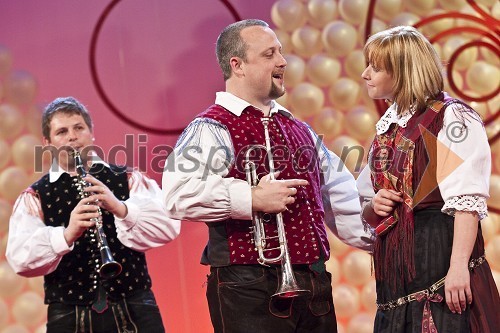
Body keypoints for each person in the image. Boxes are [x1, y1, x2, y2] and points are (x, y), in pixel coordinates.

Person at [161, 19, 372, 333]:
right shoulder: (211, 127)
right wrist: (251, 197)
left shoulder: (301, 130)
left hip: (313, 286)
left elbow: (341, 200)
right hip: (248, 289)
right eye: (269, 54)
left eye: (281, 53)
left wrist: (386, 240)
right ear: (238, 65)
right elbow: (178, 194)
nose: (282, 61)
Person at [356, 26, 500, 333]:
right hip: (396, 282)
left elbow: (466, 200)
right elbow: (368, 207)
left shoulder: (452, 118)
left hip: (439, 263)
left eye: (376, 67)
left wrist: (458, 267)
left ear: (403, 72)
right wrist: (375, 203)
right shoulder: (388, 128)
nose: (365, 74)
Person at [6, 96, 181, 333]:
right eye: (62, 132)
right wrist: (66, 235)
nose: (72, 137)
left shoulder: (128, 178)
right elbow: (19, 259)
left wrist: (121, 208)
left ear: (91, 133)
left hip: (135, 307)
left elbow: (169, 226)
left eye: (79, 128)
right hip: (68, 315)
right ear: (47, 143)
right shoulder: (35, 195)